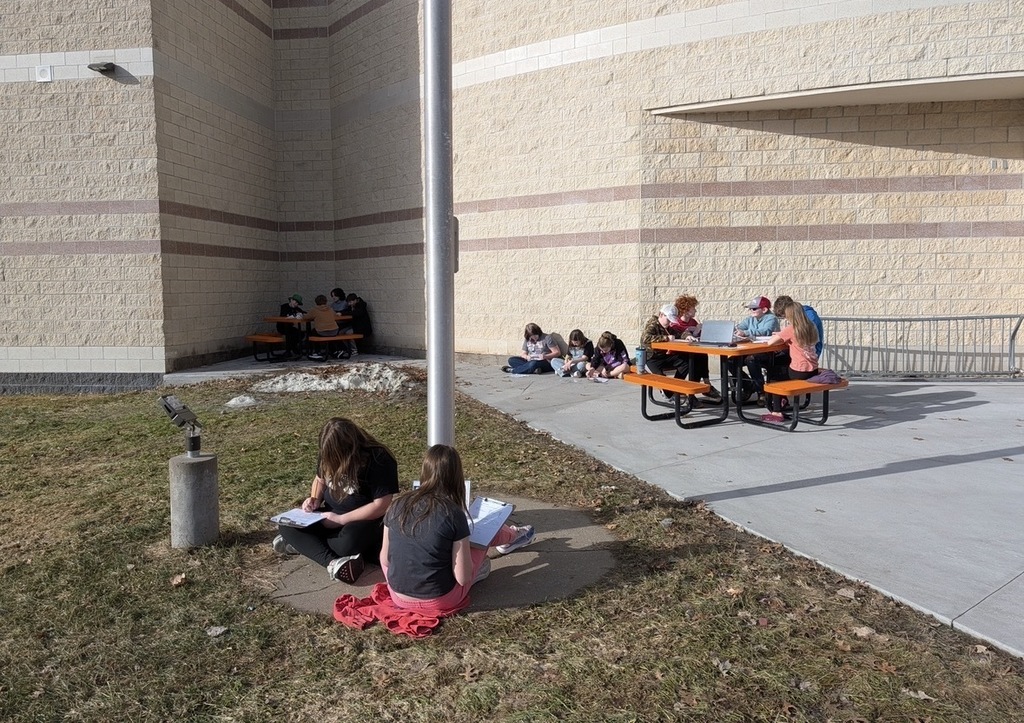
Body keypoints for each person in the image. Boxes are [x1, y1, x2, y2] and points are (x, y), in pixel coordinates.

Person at [380, 444, 535, 615]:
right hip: (439, 600)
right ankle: (513, 537)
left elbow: (385, 560)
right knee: (483, 534)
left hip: (398, 595)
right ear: (456, 476)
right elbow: (462, 577)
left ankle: (511, 537)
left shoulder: (396, 506)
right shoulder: (452, 513)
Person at [272, 418, 400, 583]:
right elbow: (319, 480)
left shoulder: (378, 458)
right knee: (286, 525)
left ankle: (306, 546)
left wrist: (341, 520)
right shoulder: (327, 454)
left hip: (364, 520)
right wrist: (314, 499)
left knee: (347, 545)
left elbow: (382, 504)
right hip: (328, 514)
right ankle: (331, 562)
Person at [762, 301, 820, 424]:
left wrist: (780, 336)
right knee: (783, 367)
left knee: (773, 376)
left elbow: (770, 343)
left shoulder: (791, 329)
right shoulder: (811, 326)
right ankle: (783, 401)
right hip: (813, 369)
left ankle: (776, 411)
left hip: (799, 371)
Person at [669, 295, 722, 402]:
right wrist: (696, 331)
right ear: (686, 310)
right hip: (678, 352)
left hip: (693, 351)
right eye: (693, 308)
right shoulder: (676, 323)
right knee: (696, 359)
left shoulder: (693, 322)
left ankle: (700, 387)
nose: (696, 310)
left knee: (701, 355)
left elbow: (700, 337)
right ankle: (700, 388)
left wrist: (701, 329)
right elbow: (682, 336)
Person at [730, 296, 781, 398]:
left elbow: (766, 331)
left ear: (764, 309)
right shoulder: (750, 319)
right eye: (750, 308)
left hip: (768, 352)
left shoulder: (772, 318)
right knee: (730, 362)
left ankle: (761, 391)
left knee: (751, 360)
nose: (751, 311)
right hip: (751, 350)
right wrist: (734, 330)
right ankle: (748, 385)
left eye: (753, 309)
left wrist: (745, 333)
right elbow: (739, 327)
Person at [302, 294, 341, 360]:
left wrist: (302, 315)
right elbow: (335, 315)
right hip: (334, 331)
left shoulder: (314, 310)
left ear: (316, 302)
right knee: (328, 334)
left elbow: (306, 317)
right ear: (326, 301)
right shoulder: (330, 309)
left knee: (312, 333)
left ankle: (316, 352)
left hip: (322, 332)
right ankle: (334, 351)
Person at [276, 293, 306, 359]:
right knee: (290, 335)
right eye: (295, 302)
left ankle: (292, 348)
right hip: (282, 327)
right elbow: (284, 315)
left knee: (301, 334)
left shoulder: (296, 308)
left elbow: (303, 312)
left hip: (290, 327)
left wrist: (300, 314)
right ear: (291, 300)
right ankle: (291, 350)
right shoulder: (284, 306)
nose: (296, 304)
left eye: (297, 303)